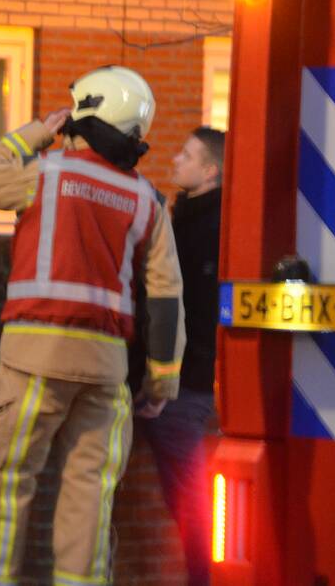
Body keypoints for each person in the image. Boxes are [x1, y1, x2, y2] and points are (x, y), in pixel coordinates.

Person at [0, 66, 186, 586]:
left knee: (5, 485)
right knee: (91, 497)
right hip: (106, 376)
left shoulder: (45, 173)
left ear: (83, 112)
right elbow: (167, 298)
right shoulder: (147, 200)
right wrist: (161, 382)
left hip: (32, 365)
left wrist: (36, 130)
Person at [137, 126, 224, 586]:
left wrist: (164, 385)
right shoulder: (188, 219)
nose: (175, 161)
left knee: (189, 499)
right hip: (176, 384)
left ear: (210, 171)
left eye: (187, 156)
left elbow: (189, 309)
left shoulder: (206, 230)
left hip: (182, 388)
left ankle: (204, 579)